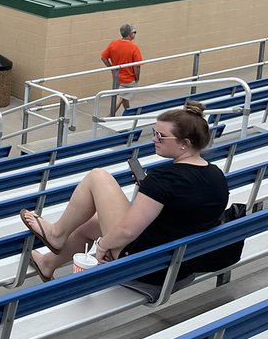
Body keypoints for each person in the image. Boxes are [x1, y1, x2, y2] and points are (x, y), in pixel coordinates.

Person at [19, 102, 228, 283]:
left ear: (185, 143)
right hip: (178, 261)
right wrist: (149, 190)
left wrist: (102, 247)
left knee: (97, 176)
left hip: (144, 265)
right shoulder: (217, 175)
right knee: (91, 223)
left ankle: (56, 234)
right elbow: (184, 209)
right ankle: (47, 264)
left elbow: (127, 232)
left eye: (161, 136)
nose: (154, 139)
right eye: (154, 133)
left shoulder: (165, 178)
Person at [101, 23, 142, 114]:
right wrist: (137, 78)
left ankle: (129, 113)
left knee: (124, 96)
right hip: (129, 79)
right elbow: (137, 66)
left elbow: (103, 57)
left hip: (117, 78)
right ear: (130, 34)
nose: (135, 34)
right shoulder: (134, 48)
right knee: (122, 97)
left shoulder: (113, 44)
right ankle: (110, 115)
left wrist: (112, 68)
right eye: (134, 32)